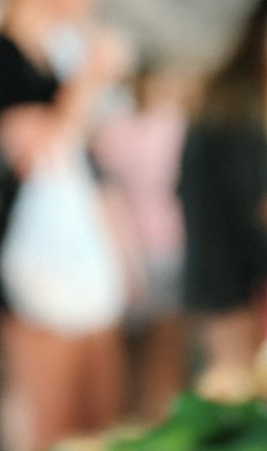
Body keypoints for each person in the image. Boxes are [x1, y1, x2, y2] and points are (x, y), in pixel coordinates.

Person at [0, 0, 128, 451]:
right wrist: (90, 77)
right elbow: (35, 151)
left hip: (77, 261)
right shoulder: (4, 55)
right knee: (51, 423)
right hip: (36, 262)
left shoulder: (55, 51)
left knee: (96, 414)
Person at [178, 0, 267, 390]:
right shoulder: (241, 105)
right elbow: (259, 200)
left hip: (223, 268)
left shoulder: (235, 99)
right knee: (234, 381)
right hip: (228, 272)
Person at [94, 62, 190, 422]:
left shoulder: (114, 131)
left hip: (125, 246)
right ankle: (165, 410)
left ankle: (137, 414)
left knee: (133, 345)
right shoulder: (175, 127)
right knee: (167, 338)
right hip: (169, 242)